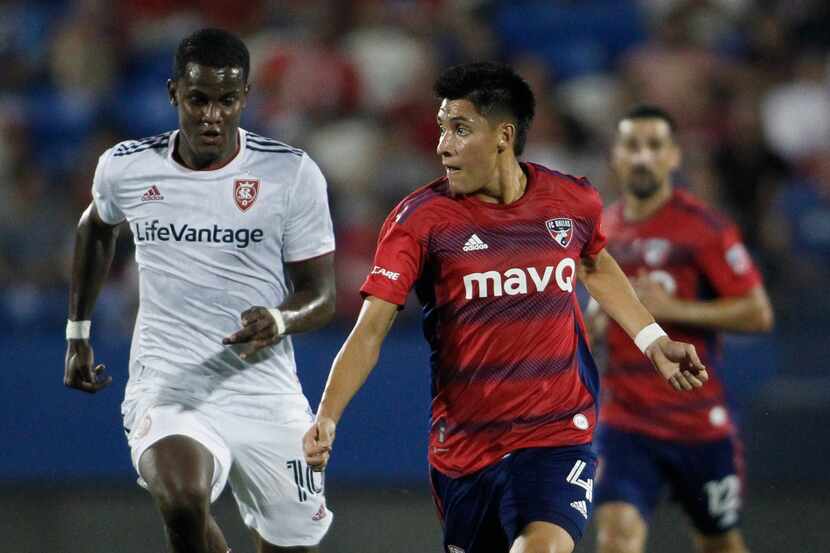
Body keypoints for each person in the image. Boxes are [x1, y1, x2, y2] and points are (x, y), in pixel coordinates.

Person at [302, 62, 708, 553]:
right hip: (465, 452)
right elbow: (370, 331)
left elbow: (595, 264)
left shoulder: (572, 201)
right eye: (441, 129)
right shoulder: (421, 221)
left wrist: (652, 340)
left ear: (503, 136)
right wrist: (328, 415)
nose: (442, 146)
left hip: (559, 433)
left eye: (459, 129)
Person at [63, 28, 336, 553]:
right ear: (174, 94)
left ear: (245, 99)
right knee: (183, 498)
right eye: (199, 99)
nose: (213, 115)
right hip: (169, 379)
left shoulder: (290, 174)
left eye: (226, 101)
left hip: (264, 389)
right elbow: (96, 226)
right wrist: (78, 333)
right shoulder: (127, 167)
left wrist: (280, 320)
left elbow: (320, 295)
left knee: (292, 544)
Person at [589, 105, 774, 553]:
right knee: (616, 537)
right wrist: (597, 317)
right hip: (625, 420)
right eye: (632, 145)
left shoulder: (704, 228)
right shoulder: (599, 231)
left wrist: (673, 308)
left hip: (697, 420)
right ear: (616, 156)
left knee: (719, 542)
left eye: (654, 146)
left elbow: (758, 313)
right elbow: (593, 323)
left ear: (673, 156)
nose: (642, 157)